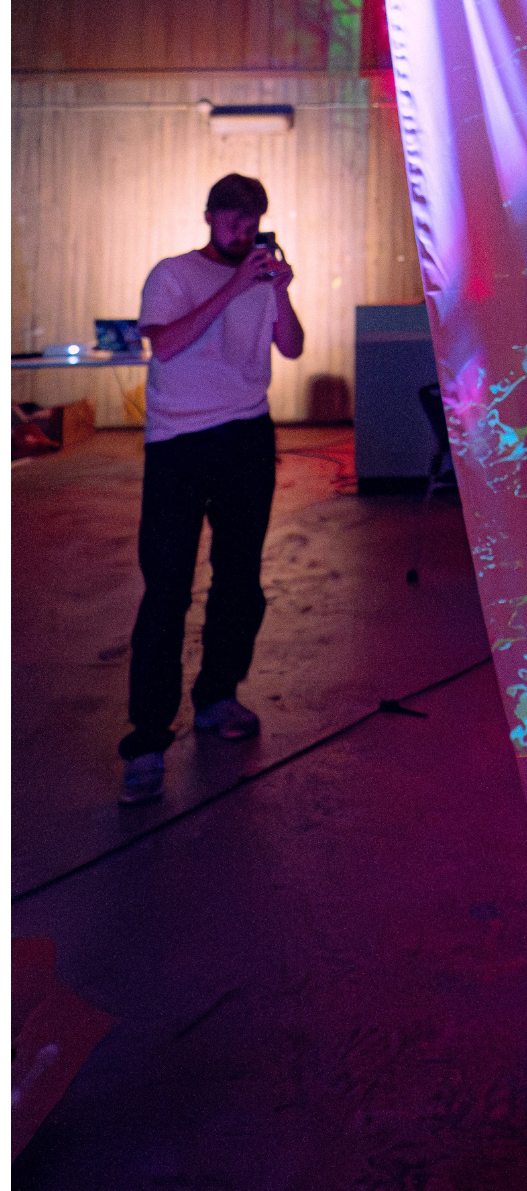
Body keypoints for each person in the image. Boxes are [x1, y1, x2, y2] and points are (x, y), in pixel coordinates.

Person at [117, 174, 304, 805]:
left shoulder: (260, 278)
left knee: (240, 577)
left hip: (247, 434)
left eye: (252, 221)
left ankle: (218, 695)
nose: (243, 231)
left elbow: (292, 347)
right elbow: (166, 345)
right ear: (209, 217)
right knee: (167, 586)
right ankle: (147, 739)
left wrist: (279, 292)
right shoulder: (173, 274)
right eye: (232, 220)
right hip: (178, 441)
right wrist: (234, 287)